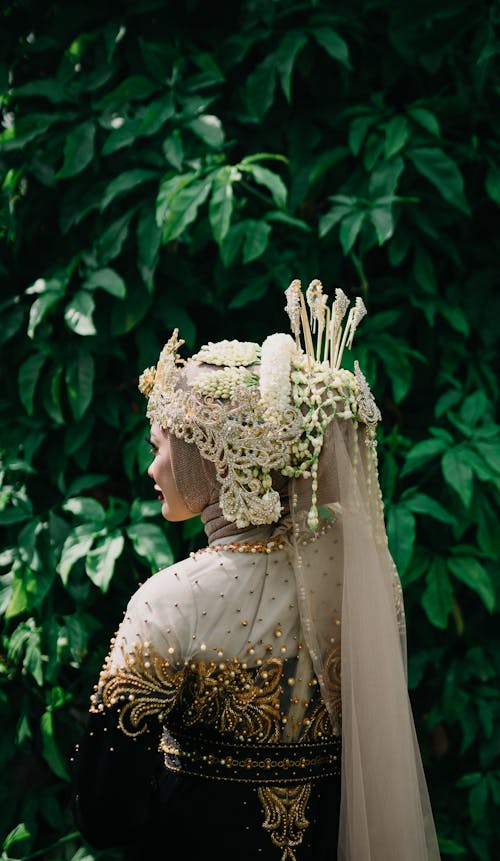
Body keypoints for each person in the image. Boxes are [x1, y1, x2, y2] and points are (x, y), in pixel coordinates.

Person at [71, 278, 441, 860]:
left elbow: (104, 808)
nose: (152, 469)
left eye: (161, 446)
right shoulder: (362, 575)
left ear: (208, 452)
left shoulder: (172, 599)